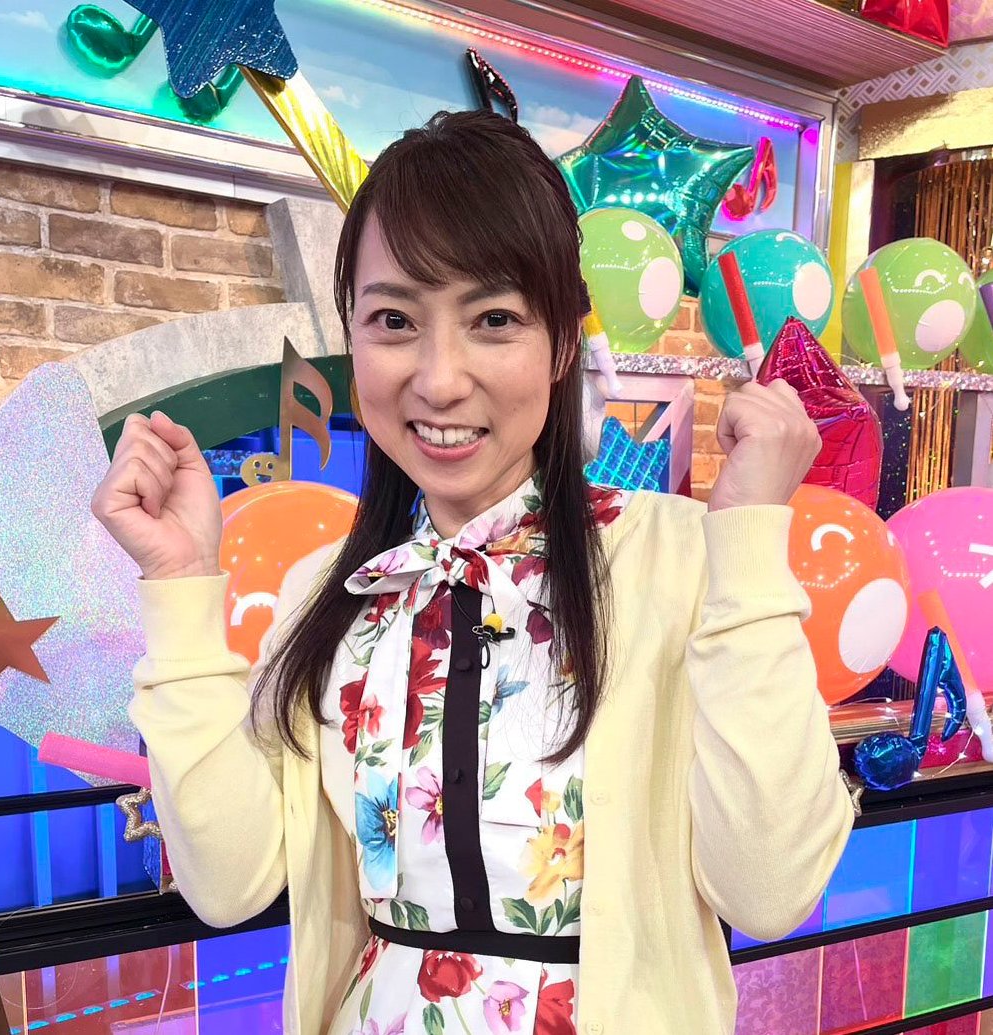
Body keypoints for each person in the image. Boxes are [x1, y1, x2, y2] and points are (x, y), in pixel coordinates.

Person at [92, 109, 854, 1035]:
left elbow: (771, 888)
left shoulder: (683, 556)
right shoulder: (332, 595)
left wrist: (748, 539)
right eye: (393, 320)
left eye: (493, 319)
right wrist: (180, 585)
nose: (440, 378)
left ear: (562, 341)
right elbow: (226, 882)